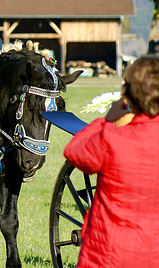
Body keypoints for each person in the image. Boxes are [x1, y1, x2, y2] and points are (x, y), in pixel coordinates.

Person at [64, 54, 159, 268]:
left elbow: (74, 152)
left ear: (129, 96)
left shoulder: (111, 138)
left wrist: (106, 121)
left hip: (109, 252)